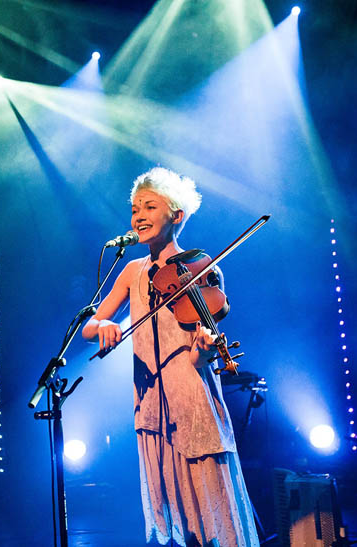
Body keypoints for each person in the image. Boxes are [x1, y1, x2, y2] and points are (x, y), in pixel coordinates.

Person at [82, 167, 259, 546]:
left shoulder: (202, 271)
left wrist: (204, 350)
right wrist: (105, 328)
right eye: (134, 209)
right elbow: (88, 327)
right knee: (172, 517)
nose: (138, 215)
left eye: (149, 206)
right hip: (151, 407)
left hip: (191, 401)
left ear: (176, 215)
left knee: (212, 514)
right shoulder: (131, 271)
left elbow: (198, 359)